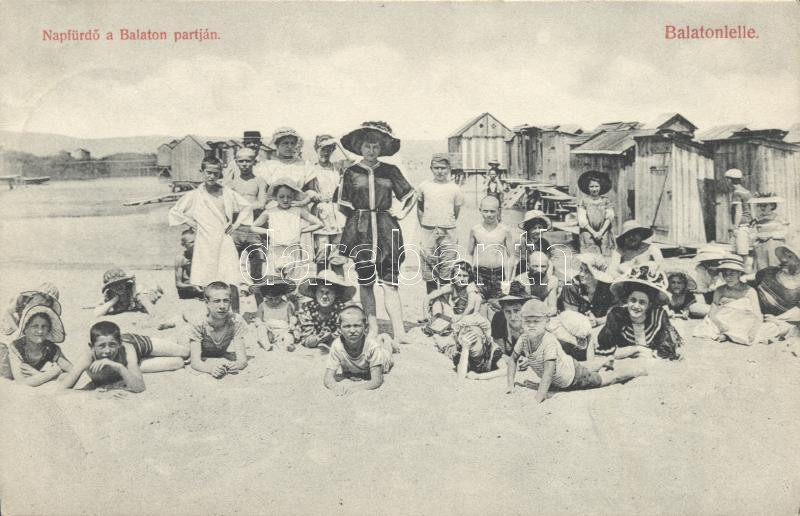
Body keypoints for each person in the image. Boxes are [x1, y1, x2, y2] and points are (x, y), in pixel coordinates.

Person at [338, 121, 416, 346]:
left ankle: (399, 331)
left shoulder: (390, 171)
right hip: (361, 230)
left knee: (390, 282)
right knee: (366, 282)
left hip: (386, 229)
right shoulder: (351, 172)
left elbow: (410, 195)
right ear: (360, 147)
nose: (371, 151)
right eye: (367, 146)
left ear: (381, 148)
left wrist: (401, 213)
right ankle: (372, 328)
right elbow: (343, 206)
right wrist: (348, 236)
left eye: (375, 147)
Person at [506, 299, 645, 403]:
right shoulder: (523, 338)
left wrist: (538, 398)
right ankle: (605, 361)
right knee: (586, 367)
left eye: (536, 322)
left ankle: (637, 371)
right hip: (564, 370)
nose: (531, 326)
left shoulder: (548, 342)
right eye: (527, 322)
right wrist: (510, 384)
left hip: (574, 378)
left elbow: (548, 372)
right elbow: (512, 359)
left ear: (546, 321)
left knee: (606, 379)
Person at [169, 157, 253, 312]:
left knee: (231, 279)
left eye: (216, 173)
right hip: (205, 241)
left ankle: (236, 314)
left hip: (224, 239)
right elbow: (175, 212)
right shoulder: (195, 195)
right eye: (208, 172)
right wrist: (192, 223)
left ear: (220, 173)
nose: (212, 176)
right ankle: (211, 315)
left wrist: (235, 225)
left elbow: (246, 207)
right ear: (202, 172)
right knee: (207, 280)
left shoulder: (226, 193)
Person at [61, 321, 189, 392]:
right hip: (130, 363)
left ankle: (179, 328)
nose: (107, 350)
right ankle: (137, 365)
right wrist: (121, 368)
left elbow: (140, 387)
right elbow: (63, 389)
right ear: (92, 346)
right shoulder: (87, 357)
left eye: (112, 345)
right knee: (179, 363)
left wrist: (118, 366)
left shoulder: (127, 348)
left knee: (185, 353)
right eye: (101, 346)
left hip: (137, 344)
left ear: (119, 343)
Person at [597, 264, 682, 360]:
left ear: (649, 305)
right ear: (627, 300)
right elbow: (606, 350)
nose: (636, 306)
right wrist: (637, 349)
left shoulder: (658, 316)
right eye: (633, 300)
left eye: (642, 302)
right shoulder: (616, 316)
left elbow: (667, 351)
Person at [250, 178, 322, 278]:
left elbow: (319, 223)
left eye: (289, 197)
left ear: (294, 197)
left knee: (294, 279)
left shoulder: (298, 210)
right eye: (281, 196)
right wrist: (268, 231)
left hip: (293, 249)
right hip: (276, 249)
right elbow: (253, 227)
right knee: (274, 278)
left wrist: (301, 230)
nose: (285, 200)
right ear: (275, 197)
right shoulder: (270, 212)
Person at [181, 282, 250, 379]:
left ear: (230, 302)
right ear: (207, 303)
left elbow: (242, 360)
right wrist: (210, 369)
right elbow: (195, 362)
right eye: (217, 301)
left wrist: (236, 365)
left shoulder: (236, 321)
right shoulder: (198, 323)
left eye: (226, 301)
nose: (222, 306)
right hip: (185, 346)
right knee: (181, 357)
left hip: (214, 353)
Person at [417, 152, 464, 293]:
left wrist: (445, 223)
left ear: (449, 169)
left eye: (443, 168)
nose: (440, 171)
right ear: (431, 168)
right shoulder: (424, 186)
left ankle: (445, 302)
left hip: (448, 231)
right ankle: (432, 302)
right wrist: (425, 225)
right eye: (436, 168)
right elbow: (420, 208)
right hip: (428, 230)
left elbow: (456, 211)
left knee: (447, 268)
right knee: (429, 267)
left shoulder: (455, 188)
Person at [323, 304, 394, 396]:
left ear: (365, 326)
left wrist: (355, 389)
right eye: (347, 326)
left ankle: (387, 340)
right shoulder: (337, 345)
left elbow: (377, 380)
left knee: (387, 352)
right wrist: (335, 387)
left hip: (383, 360)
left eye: (357, 326)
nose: (352, 330)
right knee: (376, 344)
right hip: (360, 368)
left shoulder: (372, 347)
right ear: (339, 327)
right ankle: (381, 339)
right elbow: (328, 377)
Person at [223, 147, 268, 282]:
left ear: (254, 162)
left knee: (256, 260)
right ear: (236, 162)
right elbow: (227, 205)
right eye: (241, 161)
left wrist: (242, 207)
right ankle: (235, 287)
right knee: (232, 261)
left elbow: (261, 203)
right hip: (236, 228)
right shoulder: (231, 183)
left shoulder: (260, 181)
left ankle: (256, 288)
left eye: (248, 161)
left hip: (253, 227)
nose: (244, 164)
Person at [2, 305, 72, 386]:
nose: (40, 331)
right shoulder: (17, 346)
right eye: (35, 326)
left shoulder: (51, 348)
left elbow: (73, 371)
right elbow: (22, 383)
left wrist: (37, 374)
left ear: (48, 330)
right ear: (25, 329)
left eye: (44, 326)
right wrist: (53, 373)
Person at [308, 135, 348, 272]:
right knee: (322, 252)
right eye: (323, 149)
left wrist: (337, 142)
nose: (326, 153)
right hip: (321, 213)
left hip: (337, 212)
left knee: (337, 254)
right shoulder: (311, 168)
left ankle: (339, 283)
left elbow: (352, 161)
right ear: (316, 149)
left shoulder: (337, 166)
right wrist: (311, 193)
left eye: (329, 149)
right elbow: (304, 188)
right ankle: (321, 282)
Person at [468, 196, 515, 311]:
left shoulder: (505, 230)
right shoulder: (475, 230)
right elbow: (469, 254)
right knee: (478, 305)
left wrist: (508, 280)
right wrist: (470, 277)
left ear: (498, 211)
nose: (489, 215)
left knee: (499, 306)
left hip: (499, 273)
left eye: (492, 211)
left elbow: (511, 256)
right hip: (479, 273)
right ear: (480, 210)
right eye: (485, 211)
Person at [292, 269, 357, 350]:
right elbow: (306, 338)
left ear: (336, 294)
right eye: (321, 292)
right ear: (315, 292)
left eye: (328, 292)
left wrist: (331, 337)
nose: (324, 296)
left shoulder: (342, 309)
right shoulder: (307, 308)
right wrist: (318, 338)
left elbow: (347, 335)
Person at [558, 253, 615, 327]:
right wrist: (586, 320)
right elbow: (570, 316)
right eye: (581, 269)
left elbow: (614, 313)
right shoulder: (572, 286)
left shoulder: (608, 288)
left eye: (587, 271)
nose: (581, 274)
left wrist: (598, 321)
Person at [450, 313, 506, 380]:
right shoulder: (461, 351)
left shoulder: (492, 351)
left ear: (483, 339)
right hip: (451, 349)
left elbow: (505, 370)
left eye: (474, 343)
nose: (471, 348)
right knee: (446, 348)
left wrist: (479, 376)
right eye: (467, 343)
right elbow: (461, 375)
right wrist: (465, 348)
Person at [251, 276, 297, 352]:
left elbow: (291, 317)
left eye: (277, 298)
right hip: (268, 330)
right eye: (270, 299)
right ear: (265, 296)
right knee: (261, 329)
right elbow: (258, 319)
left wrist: (292, 324)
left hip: (283, 330)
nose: (274, 301)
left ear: (282, 295)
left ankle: (288, 345)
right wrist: (260, 324)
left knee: (288, 336)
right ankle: (267, 345)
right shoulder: (263, 305)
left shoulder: (286, 305)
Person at [94, 268, 163, 317]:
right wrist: (114, 300)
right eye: (114, 285)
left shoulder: (135, 291)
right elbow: (97, 313)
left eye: (120, 282)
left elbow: (151, 310)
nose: (118, 286)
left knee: (150, 292)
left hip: (147, 292)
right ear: (109, 287)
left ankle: (155, 287)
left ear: (125, 282)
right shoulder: (109, 294)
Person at [576, 170, 615, 257]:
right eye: (591, 187)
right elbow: (582, 220)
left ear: (600, 187)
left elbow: (609, 218)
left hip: (603, 230)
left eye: (596, 186)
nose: (594, 189)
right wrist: (594, 233)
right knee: (590, 255)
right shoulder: (583, 201)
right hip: (588, 231)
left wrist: (601, 232)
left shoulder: (606, 201)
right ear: (588, 187)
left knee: (605, 253)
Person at [756, 245, 800, 317]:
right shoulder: (770, 271)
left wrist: (777, 319)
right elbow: (753, 278)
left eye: (790, 256)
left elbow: (798, 310)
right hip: (756, 311)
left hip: (781, 319)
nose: (784, 259)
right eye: (783, 256)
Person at [748, 194, 788, 272]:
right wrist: (757, 236)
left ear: (772, 206)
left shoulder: (779, 219)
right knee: (762, 267)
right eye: (760, 205)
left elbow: (784, 232)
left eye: (764, 205)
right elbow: (752, 233)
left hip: (774, 246)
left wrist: (770, 235)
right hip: (761, 247)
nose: (762, 208)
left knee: (775, 267)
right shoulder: (757, 220)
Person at [513, 210, 553, 277]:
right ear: (528, 229)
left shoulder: (544, 243)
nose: (538, 231)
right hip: (524, 273)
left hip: (540, 272)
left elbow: (549, 260)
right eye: (534, 228)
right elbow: (514, 262)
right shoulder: (521, 242)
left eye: (540, 228)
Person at [724, 168, 752, 260]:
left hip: (741, 225)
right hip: (747, 224)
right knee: (743, 251)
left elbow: (738, 211)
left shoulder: (737, 193)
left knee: (740, 253)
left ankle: (743, 268)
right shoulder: (747, 192)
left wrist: (735, 228)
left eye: (727, 179)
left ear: (729, 180)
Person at [175, 229, 205, 300]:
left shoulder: (202, 256)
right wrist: (192, 286)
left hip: (201, 291)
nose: (195, 244)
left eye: (196, 241)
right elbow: (178, 284)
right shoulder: (181, 258)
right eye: (191, 242)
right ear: (183, 244)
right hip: (187, 292)